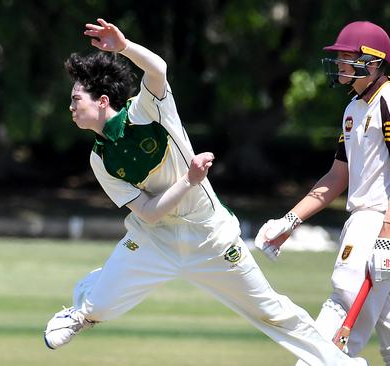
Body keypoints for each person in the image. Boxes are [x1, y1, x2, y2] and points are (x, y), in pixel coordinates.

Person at [42, 18, 367, 366]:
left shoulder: (146, 109)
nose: (71, 107)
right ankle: (81, 309)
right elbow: (149, 212)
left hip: (209, 236)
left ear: (103, 100)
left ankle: (341, 364)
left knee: (271, 311)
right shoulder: (99, 159)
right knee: (98, 308)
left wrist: (124, 47)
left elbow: (158, 69)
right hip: (156, 237)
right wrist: (188, 180)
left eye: (76, 99)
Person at [255, 21, 390, 366]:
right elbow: (337, 176)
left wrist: (386, 237)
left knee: (337, 316)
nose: (339, 62)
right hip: (369, 225)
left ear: (372, 61)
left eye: (346, 55)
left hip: (379, 224)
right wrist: (289, 220)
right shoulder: (353, 109)